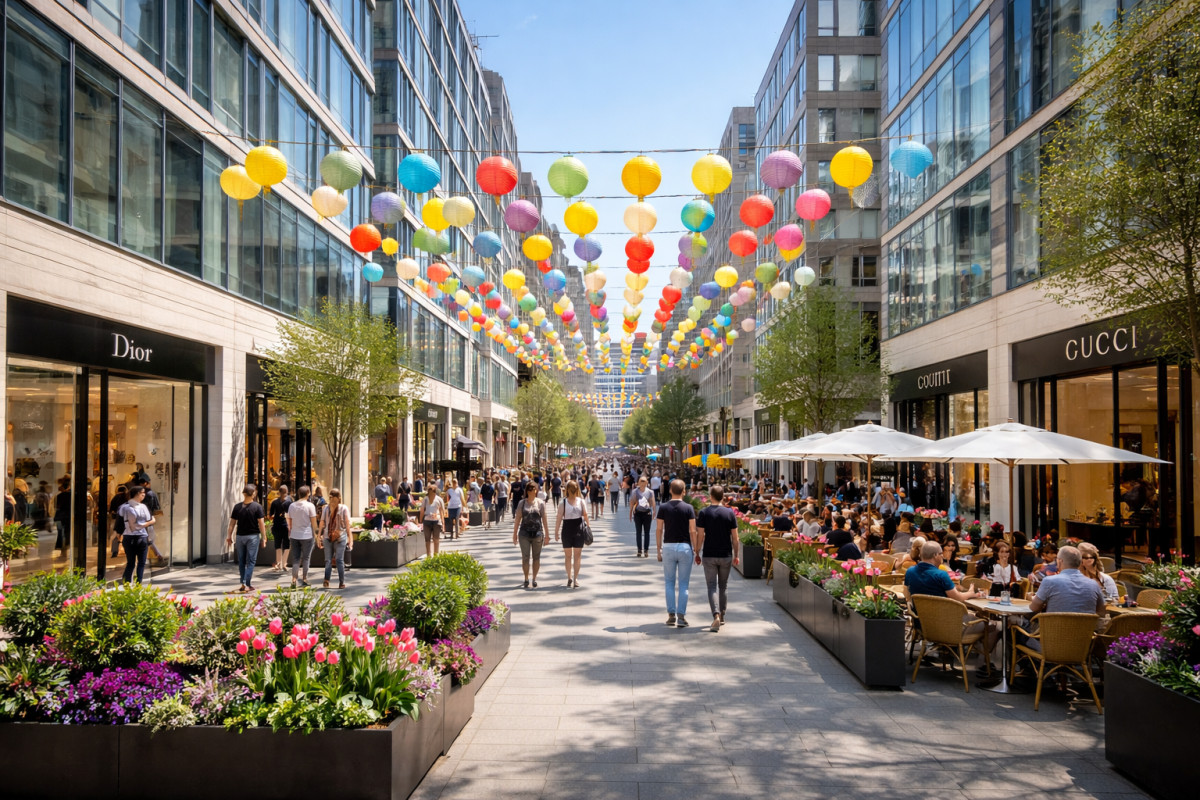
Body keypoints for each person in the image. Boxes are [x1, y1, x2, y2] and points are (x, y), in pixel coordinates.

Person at [696, 485, 739, 633]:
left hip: (709, 554)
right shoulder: (729, 513)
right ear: (723, 497)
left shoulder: (704, 513)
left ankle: (716, 615)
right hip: (726, 554)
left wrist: (697, 551)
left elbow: (700, 535)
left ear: (711, 496)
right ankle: (723, 614)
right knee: (723, 586)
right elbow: (735, 537)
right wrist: (737, 555)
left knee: (712, 586)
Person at [656, 479, 698, 628]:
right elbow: (693, 530)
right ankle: (681, 616)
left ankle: (671, 614)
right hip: (685, 547)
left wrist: (658, 548)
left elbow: (659, 529)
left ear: (670, 491)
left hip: (668, 546)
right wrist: (696, 549)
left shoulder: (663, 507)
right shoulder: (689, 508)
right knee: (684, 584)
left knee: (669, 582)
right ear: (684, 492)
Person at [226, 484, 265, 593]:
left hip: (240, 537)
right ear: (253, 494)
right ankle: (247, 583)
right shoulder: (257, 507)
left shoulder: (237, 507)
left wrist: (229, 536)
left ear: (244, 493)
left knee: (242, 561)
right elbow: (261, 523)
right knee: (251, 561)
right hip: (253, 537)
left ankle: (243, 582)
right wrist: (264, 537)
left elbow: (232, 524)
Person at [512, 482, 549, 589]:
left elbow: (545, 520)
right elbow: (517, 519)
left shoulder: (541, 503)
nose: (532, 491)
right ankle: (526, 578)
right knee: (525, 557)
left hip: (537, 533)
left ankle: (534, 578)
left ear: (536, 490)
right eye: (530, 489)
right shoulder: (522, 503)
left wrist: (547, 535)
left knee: (536, 557)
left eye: (534, 489)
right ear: (527, 491)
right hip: (524, 533)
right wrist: (514, 534)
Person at [555, 479, 590, 588]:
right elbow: (559, 518)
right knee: (568, 555)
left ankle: (575, 578)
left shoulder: (581, 501)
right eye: (571, 489)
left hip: (578, 528)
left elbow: (585, 515)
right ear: (567, 490)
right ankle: (569, 577)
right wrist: (556, 532)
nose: (573, 491)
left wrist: (588, 528)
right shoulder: (563, 502)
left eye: (575, 489)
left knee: (577, 555)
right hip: (567, 529)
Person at [118, 485, 155, 584]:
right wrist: (150, 522)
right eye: (143, 493)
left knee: (131, 562)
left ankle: (126, 582)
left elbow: (120, 521)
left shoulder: (124, 507)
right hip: (140, 536)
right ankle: (138, 582)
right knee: (140, 562)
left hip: (129, 537)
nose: (144, 495)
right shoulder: (139, 507)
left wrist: (119, 532)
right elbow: (147, 521)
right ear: (138, 493)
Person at [318, 488, 353, 589]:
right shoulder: (326, 508)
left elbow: (347, 525)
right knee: (329, 560)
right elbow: (322, 522)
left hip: (339, 537)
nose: (331, 500)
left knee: (338, 560)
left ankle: (341, 581)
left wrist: (350, 539)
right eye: (330, 497)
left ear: (338, 498)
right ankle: (327, 580)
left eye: (333, 497)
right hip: (328, 537)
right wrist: (318, 536)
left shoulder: (343, 508)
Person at [286, 485, 318, 587]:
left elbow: (289, 521)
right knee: (306, 558)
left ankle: (294, 579)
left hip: (294, 535)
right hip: (307, 535)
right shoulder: (310, 506)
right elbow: (314, 523)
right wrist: (317, 535)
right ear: (308, 493)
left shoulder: (292, 506)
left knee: (295, 558)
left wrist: (290, 532)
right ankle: (304, 578)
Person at [630, 475, 656, 558]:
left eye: (644, 481)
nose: (642, 483)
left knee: (647, 532)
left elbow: (653, 502)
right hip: (638, 513)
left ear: (647, 483)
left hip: (647, 513)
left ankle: (646, 550)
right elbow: (632, 502)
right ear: (638, 482)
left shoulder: (650, 492)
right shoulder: (635, 491)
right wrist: (630, 512)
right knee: (638, 532)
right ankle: (639, 550)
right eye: (641, 481)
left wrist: (654, 510)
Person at [269, 485, 293, 571]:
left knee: (277, 544)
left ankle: (279, 563)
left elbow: (270, 515)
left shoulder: (274, 502)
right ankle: (284, 563)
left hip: (277, 525)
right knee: (287, 545)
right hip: (286, 526)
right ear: (287, 492)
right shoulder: (290, 502)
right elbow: (291, 515)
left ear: (279, 492)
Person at [421, 486, 446, 557]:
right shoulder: (425, 499)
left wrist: (443, 523)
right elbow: (422, 510)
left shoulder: (439, 499)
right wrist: (420, 519)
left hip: (436, 521)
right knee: (428, 539)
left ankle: (435, 555)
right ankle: (429, 555)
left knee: (435, 539)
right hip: (427, 521)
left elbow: (442, 512)